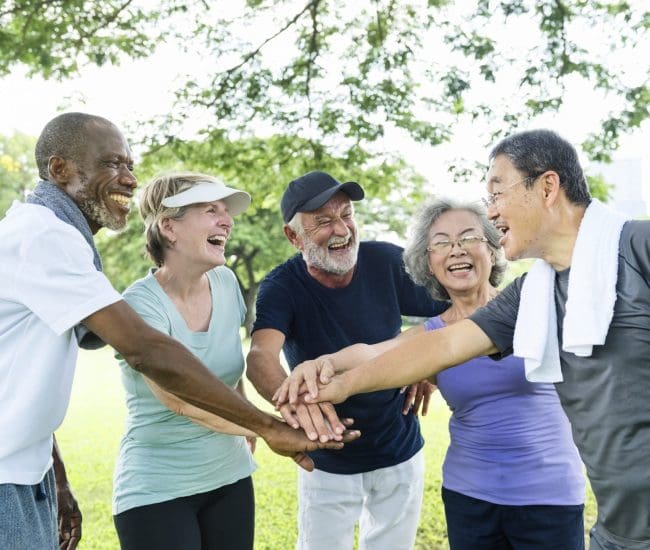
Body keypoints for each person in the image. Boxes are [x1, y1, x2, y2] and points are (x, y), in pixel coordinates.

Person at [280, 130, 650, 550]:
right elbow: (439, 346)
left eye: (496, 193)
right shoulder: (533, 294)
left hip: (558, 500)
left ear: (547, 186)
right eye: (442, 244)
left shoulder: (637, 248)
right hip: (615, 530)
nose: (491, 212)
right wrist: (334, 379)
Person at [0, 113, 356, 550]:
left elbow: (21, 375)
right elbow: (149, 353)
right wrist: (268, 426)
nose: (130, 179)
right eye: (114, 163)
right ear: (60, 170)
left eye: (130, 165)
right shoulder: (43, 236)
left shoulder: (64, 242)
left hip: (24, 470)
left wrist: (53, 475)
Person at [277, 197, 586, 549]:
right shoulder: (431, 334)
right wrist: (322, 363)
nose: (456, 250)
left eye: (468, 238)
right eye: (441, 243)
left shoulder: (533, 306)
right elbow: (374, 352)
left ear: (492, 247)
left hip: (549, 496)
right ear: (429, 263)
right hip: (469, 497)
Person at [246, 170, 448, 550]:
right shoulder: (281, 286)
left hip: (398, 450)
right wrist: (297, 405)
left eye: (346, 214)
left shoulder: (387, 261)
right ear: (294, 237)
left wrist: (427, 365)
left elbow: (459, 308)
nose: (340, 229)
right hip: (327, 459)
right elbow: (260, 357)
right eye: (322, 221)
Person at [112, 173, 260, 549]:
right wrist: (265, 426)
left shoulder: (226, 283)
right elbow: (180, 399)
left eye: (226, 212)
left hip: (230, 476)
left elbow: (227, 372)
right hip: (157, 488)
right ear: (168, 227)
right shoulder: (140, 305)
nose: (226, 220)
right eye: (211, 210)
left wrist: (244, 421)